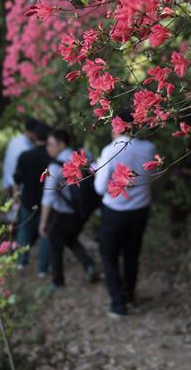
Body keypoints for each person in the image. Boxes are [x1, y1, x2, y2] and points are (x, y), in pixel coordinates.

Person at [93, 110, 157, 318]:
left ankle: (118, 304)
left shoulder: (110, 150)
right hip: (140, 210)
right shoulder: (149, 148)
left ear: (117, 127)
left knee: (109, 256)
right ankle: (129, 294)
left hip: (115, 211)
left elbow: (99, 188)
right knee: (132, 254)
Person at [39, 128, 97, 288]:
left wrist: (43, 222)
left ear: (62, 144)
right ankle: (89, 265)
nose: (48, 148)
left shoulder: (55, 167)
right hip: (85, 210)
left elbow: (48, 197)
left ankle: (57, 282)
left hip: (64, 214)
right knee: (70, 239)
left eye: (50, 144)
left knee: (55, 245)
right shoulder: (83, 155)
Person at [12, 122, 52, 275]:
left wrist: (16, 197)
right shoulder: (50, 157)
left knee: (24, 230)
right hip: (46, 201)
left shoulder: (25, 155)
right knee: (44, 233)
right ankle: (42, 269)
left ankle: (21, 261)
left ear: (35, 136)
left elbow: (17, 179)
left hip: (27, 199)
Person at [1, 118, 38, 220]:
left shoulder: (14, 140)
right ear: (32, 132)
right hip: (17, 188)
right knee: (19, 219)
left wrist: (4, 183)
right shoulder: (27, 149)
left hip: (8, 185)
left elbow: (6, 163)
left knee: (11, 217)